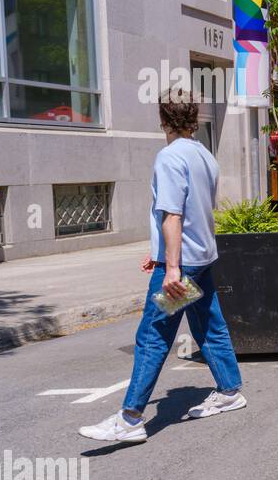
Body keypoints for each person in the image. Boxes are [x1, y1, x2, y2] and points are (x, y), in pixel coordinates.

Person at [80, 94, 246, 443]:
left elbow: (173, 214)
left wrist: (169, 267)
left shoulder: (170, 157)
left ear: (162, 120)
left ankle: (130, 418)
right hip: (199, 258)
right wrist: (159, 254)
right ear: (194, 120)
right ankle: (230, 390)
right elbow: (194, 211)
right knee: (208, 323)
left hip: (181, 264)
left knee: (153, 335)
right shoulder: (204, 155)